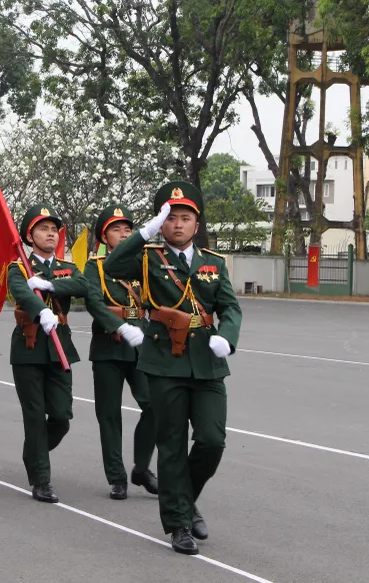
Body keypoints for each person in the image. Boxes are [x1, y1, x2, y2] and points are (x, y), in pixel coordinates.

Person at [103, 181, 243, 556]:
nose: (178, 225)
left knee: (213, 440)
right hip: (165, 361)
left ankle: (185, 497)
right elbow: (113, 266)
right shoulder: (146, 256)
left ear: (196, 225)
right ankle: (179, 523)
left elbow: (230, 307)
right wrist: (143, 233)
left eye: (186, 218)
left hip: (209, 362)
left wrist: (227, 337)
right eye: (171, 218)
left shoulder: (213, 262)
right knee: (172, 445)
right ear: (161, 223)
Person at [7, 205, 88, 503]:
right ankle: (41, 479)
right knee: (34, 415)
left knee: (61, 416)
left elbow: (84, 285)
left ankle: (33, 452)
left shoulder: (66, 267)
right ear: (30, 236)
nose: (51, 233)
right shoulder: (18, 267)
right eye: (44, 228)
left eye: (54, 229)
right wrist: (41, 309)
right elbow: (21, 292)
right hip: (29, 347)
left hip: (59, 347)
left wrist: (51, 284)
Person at [84, 205, 157, 500]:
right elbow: (93, 301)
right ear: (104, 236)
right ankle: (117, 477)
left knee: (155, 407)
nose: (125, 234)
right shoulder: (96, 266)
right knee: (110, 415)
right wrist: (118, 326)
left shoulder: (144, 263)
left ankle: (141, 468)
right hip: (109, 347)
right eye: (117, 229)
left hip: (141, 349)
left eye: (128, 229)